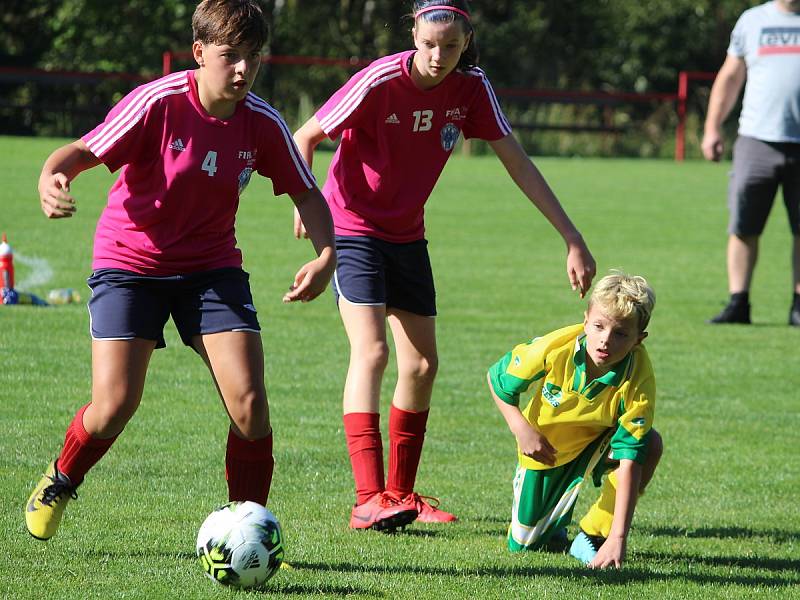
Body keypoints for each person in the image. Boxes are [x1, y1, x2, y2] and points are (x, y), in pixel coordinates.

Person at [25, 0, 336, 541]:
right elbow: (80, 151)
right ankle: (61, 478)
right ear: (199, 53)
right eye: (230, 56)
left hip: (211, 269)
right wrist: (52, 178)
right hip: (130, 263)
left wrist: (326, 255)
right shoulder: (157, 102)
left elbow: (308, 193)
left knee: (250, 405)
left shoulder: (261, 122)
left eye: (253, 59)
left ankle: (250, 530)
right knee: (113, 406)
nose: (242, 70)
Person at [292, 0, 596, 532]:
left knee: (422, 366)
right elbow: (306, 136)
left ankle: (401, 494)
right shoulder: (380, 79)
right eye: (429, 44)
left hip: (408, 235)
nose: (438, 56)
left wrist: (571, 236)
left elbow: (517, 161)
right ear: (414, 34)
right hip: (353, 227)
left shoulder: (472, 88)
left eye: (450, 46)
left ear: (466, 40)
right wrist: (307, 202)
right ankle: (369, 498)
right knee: (373, 351)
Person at [487, 271, 663, 569]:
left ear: (638, 340)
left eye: (621, 334)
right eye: (598, 326)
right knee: (524, 546)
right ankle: (553, 523)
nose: (606, 340)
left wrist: (618, 537)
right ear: (585, 321)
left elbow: (631, 452)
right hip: (547, 449)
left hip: (598, 440)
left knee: (650, 443)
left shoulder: (639, 376)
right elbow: (497, 380)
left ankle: (594, 532)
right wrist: (522, 430)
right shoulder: (554, 348)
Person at [702, 0, 800, 326]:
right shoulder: (752, 20)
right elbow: (730, 77)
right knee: (743, 225)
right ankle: (738, 302)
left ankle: (799, 306)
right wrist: (712, 126)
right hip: (757, 139)